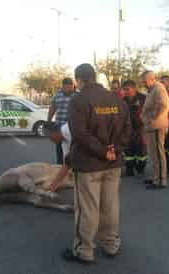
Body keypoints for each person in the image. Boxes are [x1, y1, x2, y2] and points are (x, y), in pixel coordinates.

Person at [61, 63, 131, 264]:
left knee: (87, 208)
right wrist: (113, 151)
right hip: (113, 164)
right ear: (95, 76)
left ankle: (84, 250)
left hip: (89, 164)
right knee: (110, 206)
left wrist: (102, 152)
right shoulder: (117, 100)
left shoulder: (78, 100)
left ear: (79, 80)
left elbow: (79, 134)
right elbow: (128, 131)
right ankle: (111, 244)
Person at [0, 162, 74, 212]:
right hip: (16, 178)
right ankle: (61, 206)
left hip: (23, 183)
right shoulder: (56, 171)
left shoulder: (56, 171)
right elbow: (43, 185)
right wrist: (46, 192)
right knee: (33, 195)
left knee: (34, 199)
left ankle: (62, 207)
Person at [140, 71, 169, 189]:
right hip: (152, 126)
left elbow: (163, 105)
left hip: (157, 126)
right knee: (153, 154)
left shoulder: (159, 88)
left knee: (158, 153)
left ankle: (161, 181)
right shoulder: (152, 90)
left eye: (144, 81)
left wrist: (152, 118)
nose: (143, 83)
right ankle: (155, 177)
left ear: (152, 79)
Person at [47, 78, 77, 164]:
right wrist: (48, 120)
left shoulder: (77, 95)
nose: (66, 90)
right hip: (59, 127)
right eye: (64, 88)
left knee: (72, 149)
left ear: (72, 86)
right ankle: (59, 166)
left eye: (68, 88)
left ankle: (72, 168)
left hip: (72, 128)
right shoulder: (57, 94)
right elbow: (53, 107)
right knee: (59, 149)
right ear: (62, 86)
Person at [121, 80, 147, 176]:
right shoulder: (123, 101)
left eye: (127, 89)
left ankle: (140, 168)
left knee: (141, 150)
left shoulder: (143, 98)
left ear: (134, 88)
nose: (126, 91)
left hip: (141, 128)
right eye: (124, 89)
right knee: (128, 151)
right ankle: (129, 169)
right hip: (128, 129)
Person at [46, 122, 72, 192]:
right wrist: (55, 183)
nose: (51, 141)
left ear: (54, 133)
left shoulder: (71, 130)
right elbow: (67, 162)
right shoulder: (63, 142)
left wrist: (55, 182)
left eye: (50, 137)